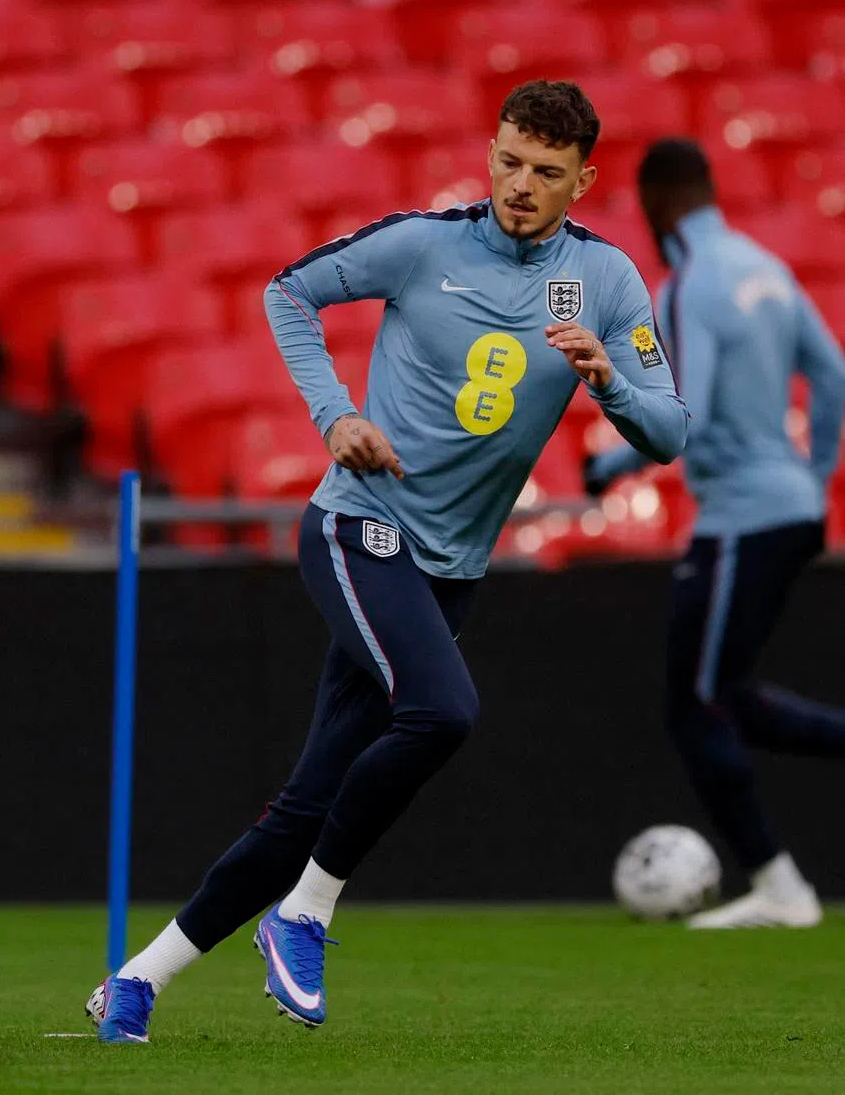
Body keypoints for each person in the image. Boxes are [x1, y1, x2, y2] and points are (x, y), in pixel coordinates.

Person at [88, 80, 687, 1043]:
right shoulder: (422, 244)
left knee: (305, 804)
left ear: (583, 179)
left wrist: (608, 379)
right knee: (445, 711)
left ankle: (137, 981)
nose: (519, 184)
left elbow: (668, 434)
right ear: (489, 152)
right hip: (360, 527)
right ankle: (306, 913)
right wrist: (337, 416)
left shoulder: (607, 283)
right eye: (507, 160)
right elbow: (289, 291)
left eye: (544, 171)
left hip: (450, 569)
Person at [584, 137, 845, 929]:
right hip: (790, 506)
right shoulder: (766, 265)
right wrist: (814, 477)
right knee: (727, 693)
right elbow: (833, 375)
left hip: (740, 516)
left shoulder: (687, 283)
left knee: (693, 703)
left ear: (657, 203)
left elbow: (677, 419)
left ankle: (779, 887)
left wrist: (609, 467)